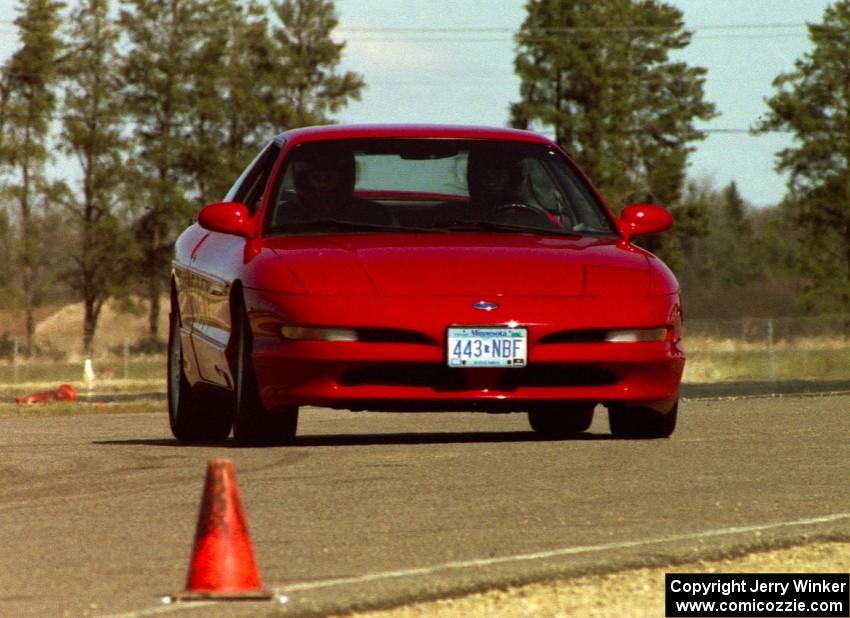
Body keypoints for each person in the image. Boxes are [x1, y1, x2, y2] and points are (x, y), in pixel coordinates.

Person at [274, 145, 393, 227]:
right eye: (316, 177)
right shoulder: (285, 214)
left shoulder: (372, 213)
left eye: (329, 177)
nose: (323, 182)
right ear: (306, 180)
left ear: (343, 179)